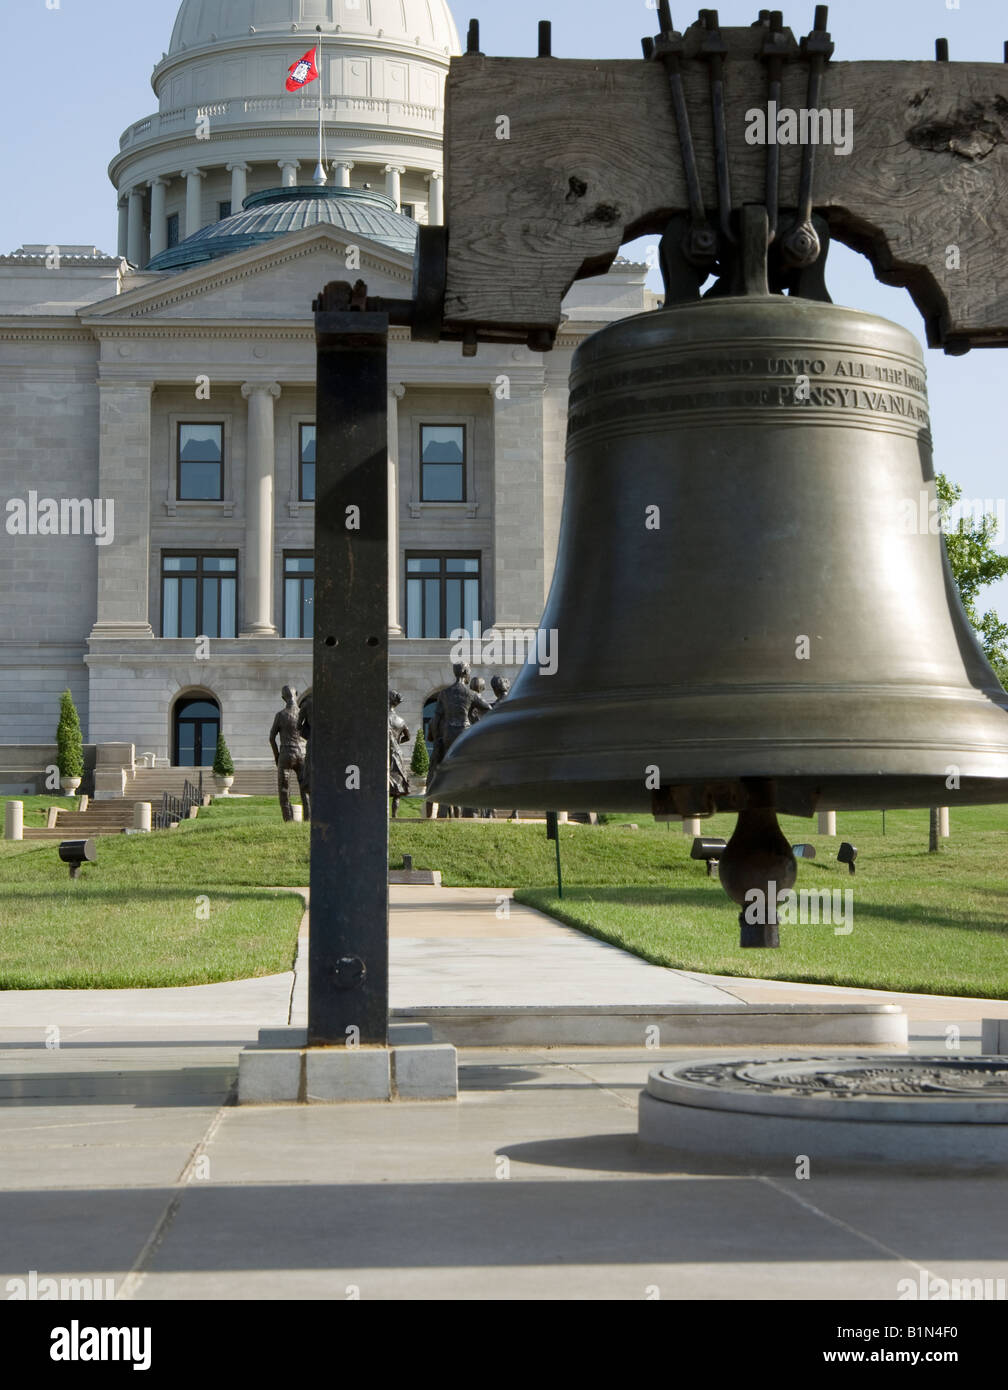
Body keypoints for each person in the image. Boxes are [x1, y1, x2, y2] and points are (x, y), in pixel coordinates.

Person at [269, 685, 310, 822]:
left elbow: (271, 737)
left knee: (284, 789)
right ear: (296, 694)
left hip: (285, 754)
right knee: (305, 786)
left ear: (283, 698)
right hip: (301, 753)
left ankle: (288, 819)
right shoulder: (302, 713)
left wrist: (277, 755)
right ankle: (308, 818)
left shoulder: (280, 715)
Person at [388, 689, 411, 819]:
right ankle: (394, 816)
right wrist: (397, 742)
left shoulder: (381, 718)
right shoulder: (400, 721)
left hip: (384, 753)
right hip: (396, 754)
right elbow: (408, 737)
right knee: (397, 789)